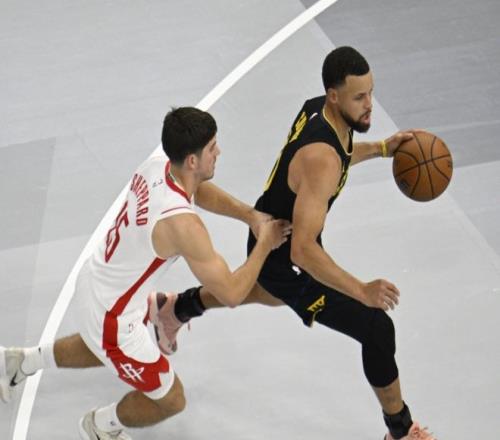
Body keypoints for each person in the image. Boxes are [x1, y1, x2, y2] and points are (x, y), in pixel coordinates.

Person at [151, 47, 436, 440]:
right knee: (375, 327)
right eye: (359, 97)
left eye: (371, 92)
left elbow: (336, 156)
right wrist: (361, 290)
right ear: (334, 96)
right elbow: (304, 248)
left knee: (267, 294)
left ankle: (175, 307)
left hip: (274, 230)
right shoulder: (322, 159)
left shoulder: (318, 110)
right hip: (287, 255)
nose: (370, 104)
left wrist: (381, 148)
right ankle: (400, 431)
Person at [0, 107, 291, 440]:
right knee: (171, 399)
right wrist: (264, 243)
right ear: (192, 160)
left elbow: (197, 189)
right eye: (212, 148)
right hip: (113, 317)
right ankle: (100, 426)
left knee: (101, 347)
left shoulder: (159, 165)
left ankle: (20, 362)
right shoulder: (183, 225)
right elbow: (232, 293)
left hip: (98, 281)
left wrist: (250, 216)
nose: (219, 152)